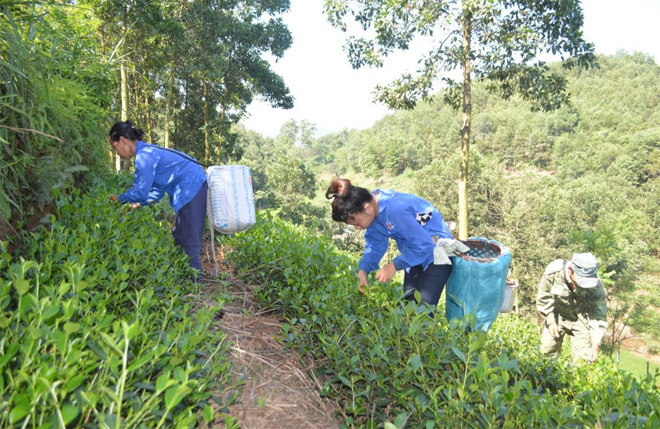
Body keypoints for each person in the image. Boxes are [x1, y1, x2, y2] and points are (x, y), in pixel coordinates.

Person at [326, 178, 453, 311]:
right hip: (414, 253)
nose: (358, 228)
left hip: (437, 253)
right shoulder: (373, 214)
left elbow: (425, 245)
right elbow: (374, 246)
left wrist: (393, 266)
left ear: (367, 208)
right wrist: (363, 271)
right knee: (410, 302)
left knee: (423, 309)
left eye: (357, 223)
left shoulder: (394, 209)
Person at [108, 120, 208, 278]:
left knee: (187, 238)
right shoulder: (147, 152)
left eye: (115, 147)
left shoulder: (144, 156)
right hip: (193, 186)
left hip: (191, 186)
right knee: (181, 235)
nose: (117, 153)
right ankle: (188, 280)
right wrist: (138, 204)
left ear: (123, 140)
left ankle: (194, 285)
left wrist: (119, 199)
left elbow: (140, 191)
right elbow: (157, 191)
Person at [536, 252, 608, 365]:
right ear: (570, 270)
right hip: (556, 314)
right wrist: (550, 322)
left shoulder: (597, 287)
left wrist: (595, 344)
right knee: (546, 354)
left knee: (582, 363)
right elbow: (544, 298)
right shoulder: (553, 272)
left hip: (581, 318)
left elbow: (598, 316)